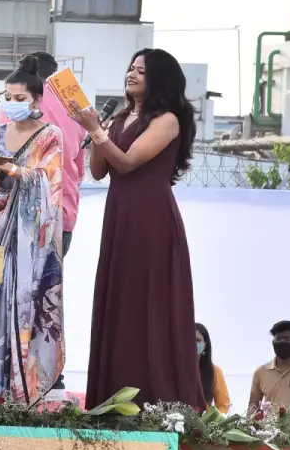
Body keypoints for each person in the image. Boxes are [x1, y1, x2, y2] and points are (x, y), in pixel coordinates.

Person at [79, 48, 204, 409]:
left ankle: (155, 397)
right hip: (120, 214)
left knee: (149, 303)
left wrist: (95, 132)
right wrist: (99, 130)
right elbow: (100, 171)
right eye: (131, 68)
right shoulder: (120, 117)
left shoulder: (167, 120)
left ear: (159, 80)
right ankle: (113, 396)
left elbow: (130, 162)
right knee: (120, 300)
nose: (131, 75)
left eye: (142, 71)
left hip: (151, 217)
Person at [0, 59, 64, 403]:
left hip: (32, 239)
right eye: (8, 97)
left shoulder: (50, 135)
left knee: (25, 303)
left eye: (19, 97)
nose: (12, 103)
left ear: (36, 100)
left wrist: (15, 170)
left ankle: (25, 383)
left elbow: (50, 183)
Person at [0, 52, 85, 255]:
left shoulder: (12, 108)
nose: (12, 100)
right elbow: (79, 171)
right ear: (54, 74)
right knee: (46, 280)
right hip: (62, 206)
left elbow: (1, 158)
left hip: (14, 211)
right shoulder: (74, 104)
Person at [196, 323, 230, 411]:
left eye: (198, 340)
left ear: (205, 345)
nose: (193, 344)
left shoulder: (215, 371)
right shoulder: (176, 370)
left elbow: (223, 405)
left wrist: (213, 421)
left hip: (205, 423)